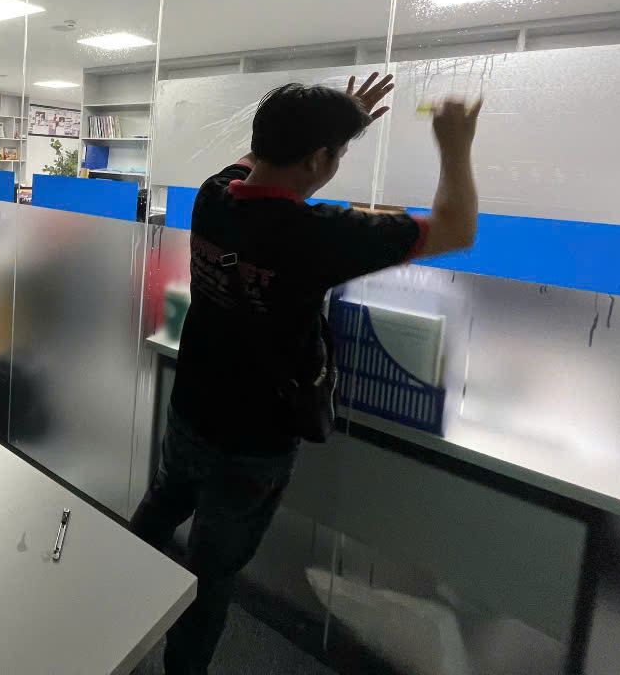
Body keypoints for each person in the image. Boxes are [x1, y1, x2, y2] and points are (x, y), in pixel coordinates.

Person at [130, 73, 482, 675]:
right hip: (254, 441)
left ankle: (113, 607)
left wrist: (336, 121)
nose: (336, 163)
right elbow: (457, 228)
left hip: (191, 409)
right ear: (318, 158)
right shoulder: (319, 235)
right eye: (336, 153)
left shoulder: (212, 196)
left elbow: (261, 160)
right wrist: (455, 145)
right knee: (213, 568)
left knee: (162, 505)